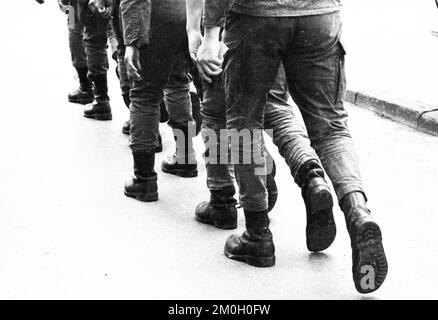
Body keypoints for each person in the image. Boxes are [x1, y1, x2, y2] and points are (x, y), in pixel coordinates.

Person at [198, 0, 388, 294]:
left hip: (257, 16)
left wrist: (210, 34)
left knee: (244, 124)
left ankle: (257, 234)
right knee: (331, 127)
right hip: (320, 15)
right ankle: (357, 210)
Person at [187, 0, 336, 255]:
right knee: (275, 108)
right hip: (284, 20)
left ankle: (224, 200)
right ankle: (311, 175)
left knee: (221, 116)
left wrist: (197, 30)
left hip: (236, 20)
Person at [120, 0, 199, 203]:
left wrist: (132, 41)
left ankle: (144, 178)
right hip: (187, 14)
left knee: (144, 94)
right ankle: (185, 157)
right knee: (178, 80)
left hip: (156, 16)